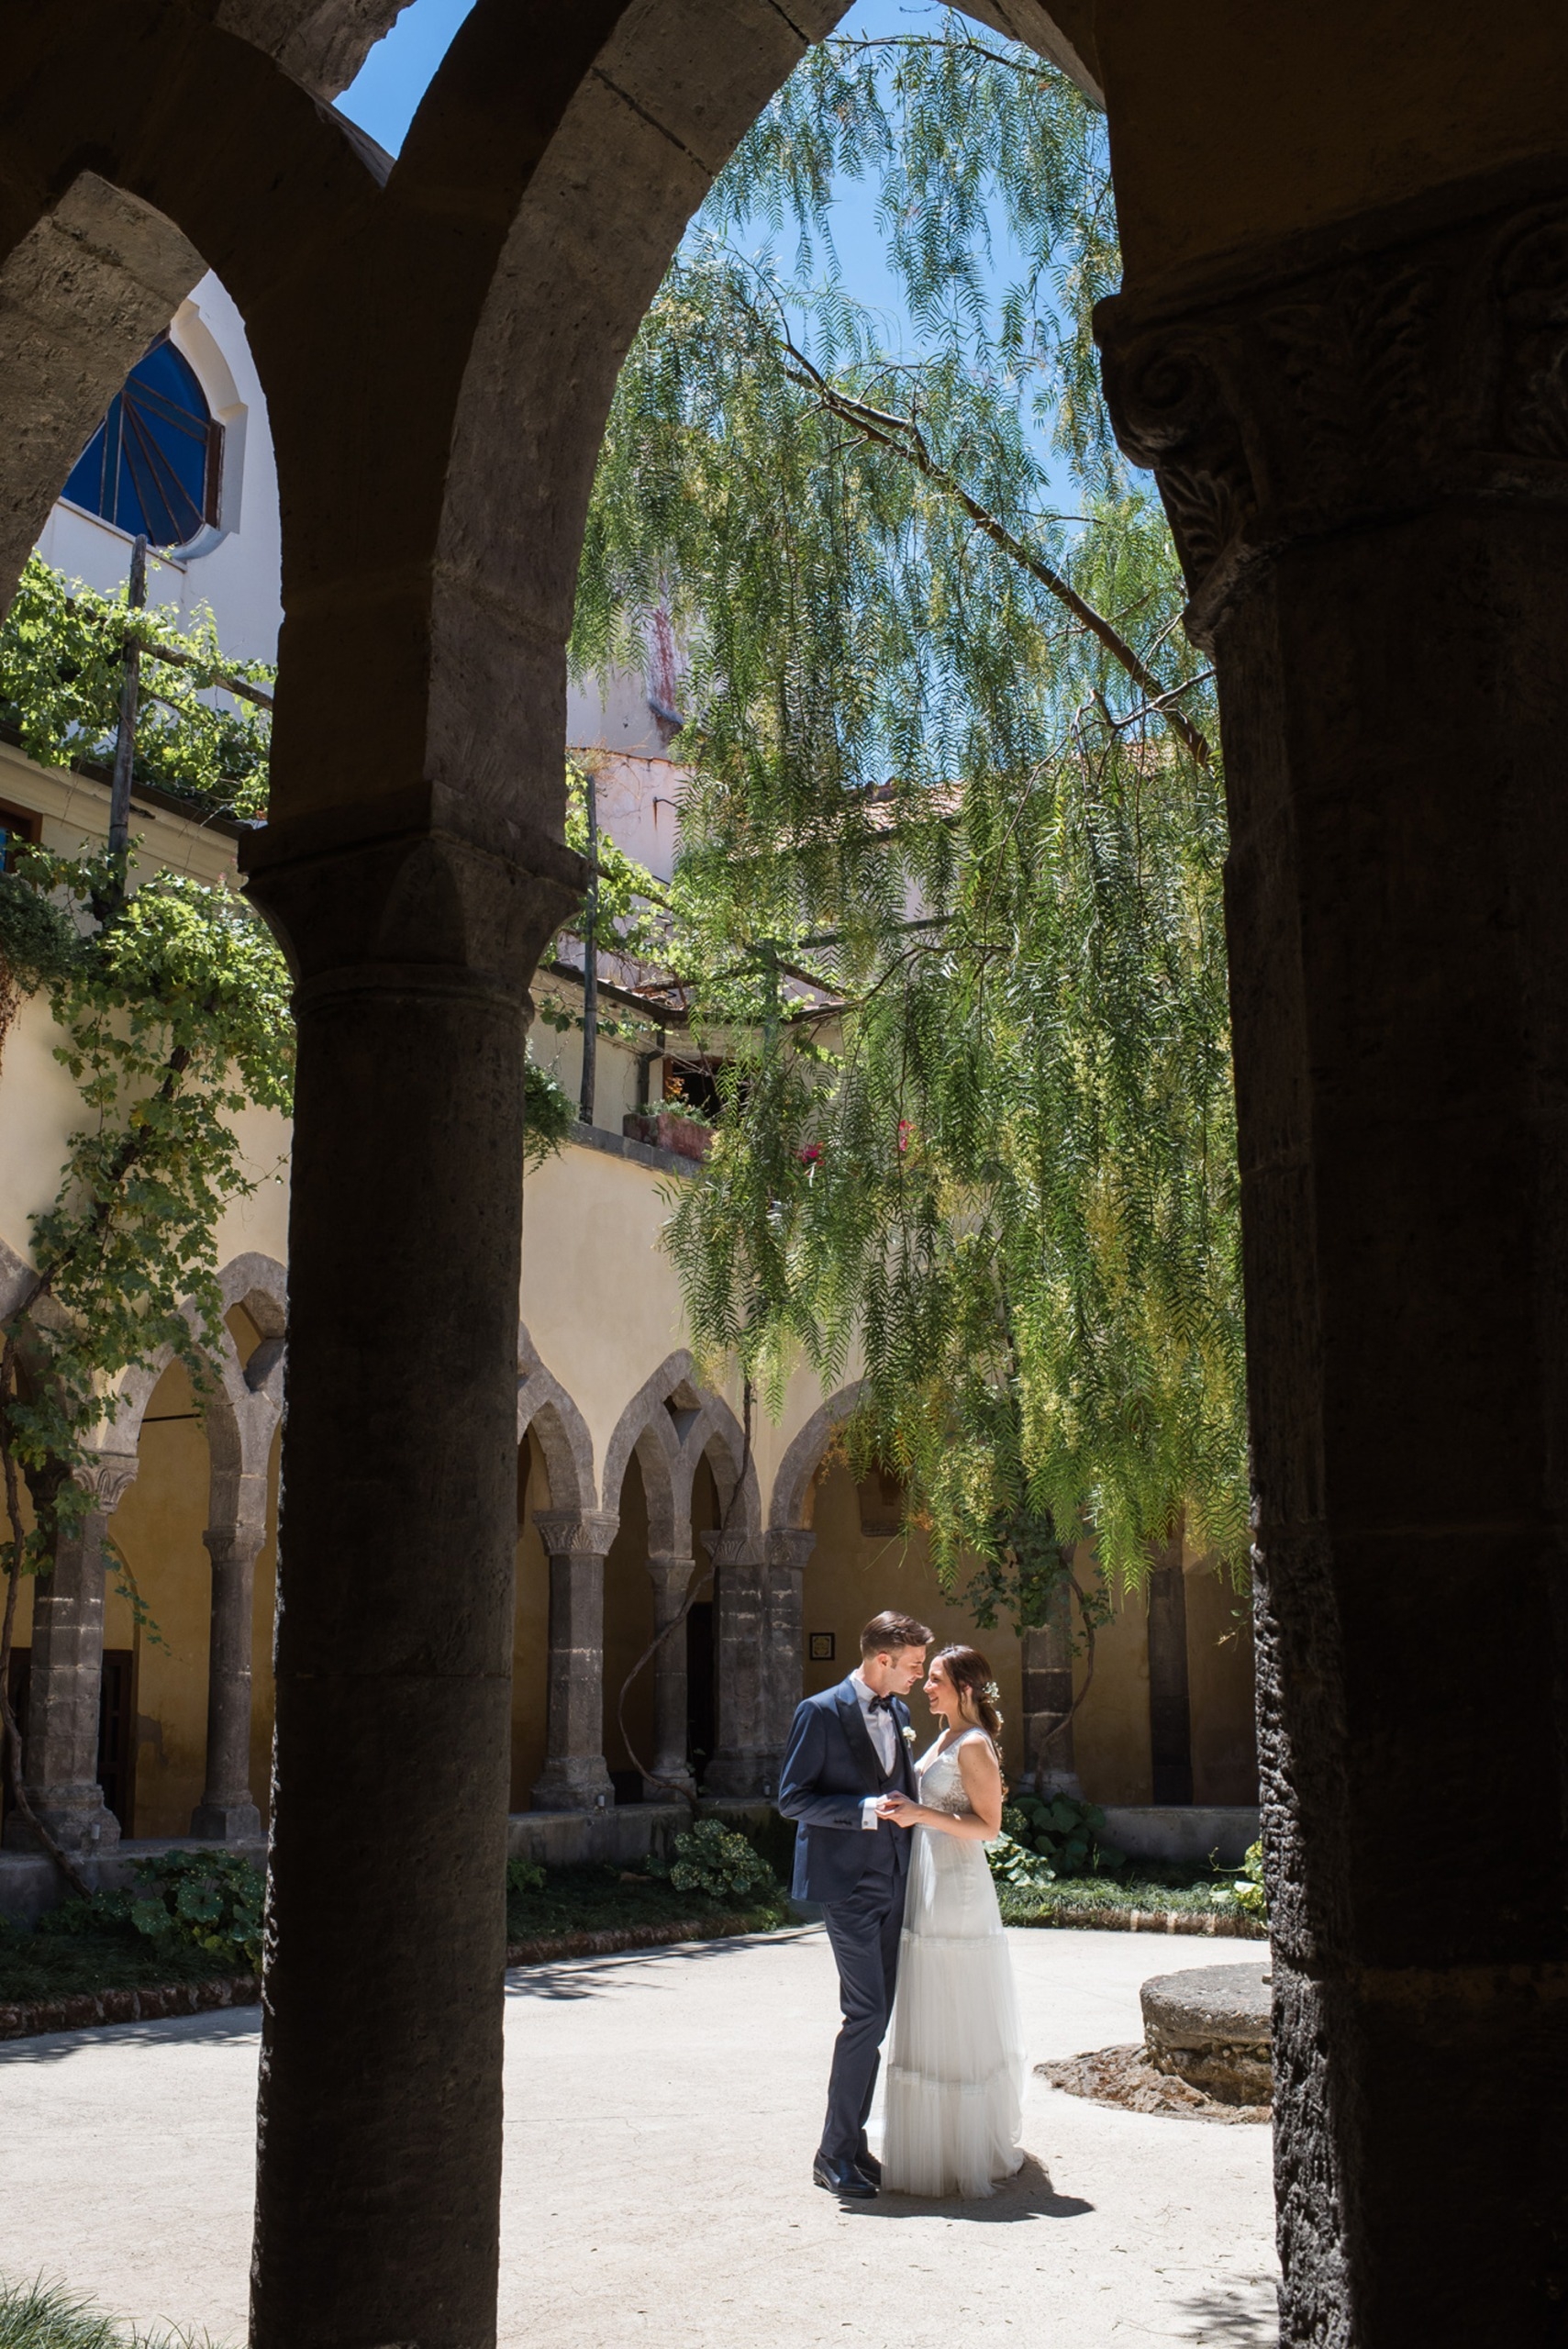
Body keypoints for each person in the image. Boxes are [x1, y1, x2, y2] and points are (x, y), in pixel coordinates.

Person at [777, 1609, 933, 2199]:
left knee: (878, 2019)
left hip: (894, 1881)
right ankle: (831, 2153)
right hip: (846, 1886)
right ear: (882, 1659)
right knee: (865, 2015)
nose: (919, 1675)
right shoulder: (818, 1712)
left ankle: (854, 2144)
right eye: (913, 1665)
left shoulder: (898, 1710)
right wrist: (866, 1810)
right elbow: (793, 1800)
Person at [874, 1643, 1025, 2199]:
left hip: (957, 1883)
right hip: (927, 1875)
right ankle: (930, 2144)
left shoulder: (975, 1744)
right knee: (930, 2001)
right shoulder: (941, 1736)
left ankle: (964, 2148)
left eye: (935, 1678)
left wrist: (920, 1814)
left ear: (964, 1688)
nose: (926, 1685)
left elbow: (988, 1827)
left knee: (954, 2003)